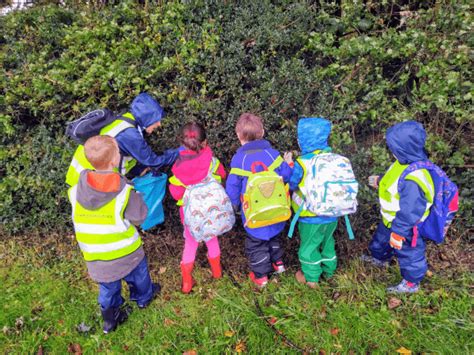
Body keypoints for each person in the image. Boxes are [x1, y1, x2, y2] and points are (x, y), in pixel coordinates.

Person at [67, 135, 160, 334]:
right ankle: (143, 299)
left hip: (95, 255)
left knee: (108, 288)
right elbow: (139, 217)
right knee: (139, 276)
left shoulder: (75, 191)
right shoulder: (124, 191)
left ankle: (110, 319)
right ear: (114, 160)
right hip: (126, 252)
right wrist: (138, 197)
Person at [363, 121, 435, 293]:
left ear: (404, 148)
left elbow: (410, 210)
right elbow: (396, 181)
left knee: (410, 253)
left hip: (407, 227)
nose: (391, 150)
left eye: (393, 147)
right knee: (381, 241)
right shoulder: (402, 163)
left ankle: (411, 283)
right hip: (390, 219)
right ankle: (380, 259)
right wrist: (381, 181)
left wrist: (399, 231)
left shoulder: (415, 178)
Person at [226, 113, 292, 288]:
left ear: (238, 136)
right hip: (277, 209)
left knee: (256, 245)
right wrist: (288, 164)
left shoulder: (239, 160)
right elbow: (286, 175)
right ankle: (279, 265)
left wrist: (234, 206)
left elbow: (232, 187)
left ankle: (261, 277)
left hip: (253, 213)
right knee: (274, 238)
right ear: (262, 132)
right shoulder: (272, 155)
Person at [66, 93, 178, 186]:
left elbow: (123, 154)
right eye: (156, 120)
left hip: (81, 176)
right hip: (89, 180)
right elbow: (153, 161)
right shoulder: (130, 134)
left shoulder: (125, 121)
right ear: (147, 118)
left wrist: (137, 170)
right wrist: (180, 152)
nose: (159, 124)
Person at [169, 122, 227, 294]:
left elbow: (176, 193)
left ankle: (187, 281)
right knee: (212, 239)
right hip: (211, 212)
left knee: (190, 244)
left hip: (189, 216)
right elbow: (222, 176)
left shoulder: (178, 169)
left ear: (181, 143)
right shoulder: (213, 162)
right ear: (205, 142)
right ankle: (217, 273)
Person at [287, 117, 339, 288]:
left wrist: (289, 165)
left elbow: (292, 183)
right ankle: (330, 272)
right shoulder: (334, 159)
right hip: (333, 213)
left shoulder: (302, 163)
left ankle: (312, 279)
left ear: (302, 141)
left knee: (309, 247)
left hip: (311, 215)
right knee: (328, 242)